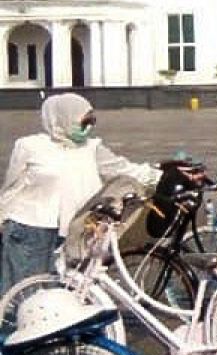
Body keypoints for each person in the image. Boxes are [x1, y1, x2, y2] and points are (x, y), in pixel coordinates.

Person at [0, 94, 160, 294]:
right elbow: (12, 186)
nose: (89, 127)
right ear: (63, 118)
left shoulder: (92, 149)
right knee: (21, 294)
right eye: (84, 121)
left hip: (74, 231)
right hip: (29, 231)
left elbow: (126, 170)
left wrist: (164, 174)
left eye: (92, 121)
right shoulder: (29, 146)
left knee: (65, 293)